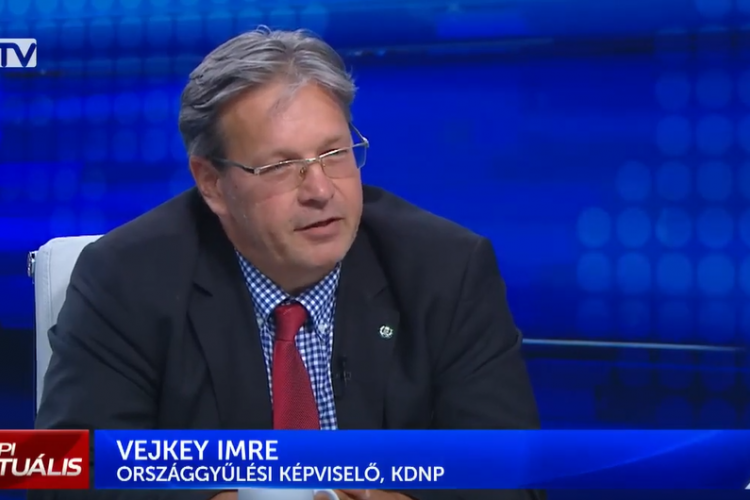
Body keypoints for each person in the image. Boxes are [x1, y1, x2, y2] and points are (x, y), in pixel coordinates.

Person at [32, 27, 542, 500]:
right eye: (281, 166)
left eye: (334, 154)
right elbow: (61, 474)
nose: (320, 190)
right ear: (212, 183)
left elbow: (516, 479)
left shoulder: (447, 270)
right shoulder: (126, 278)